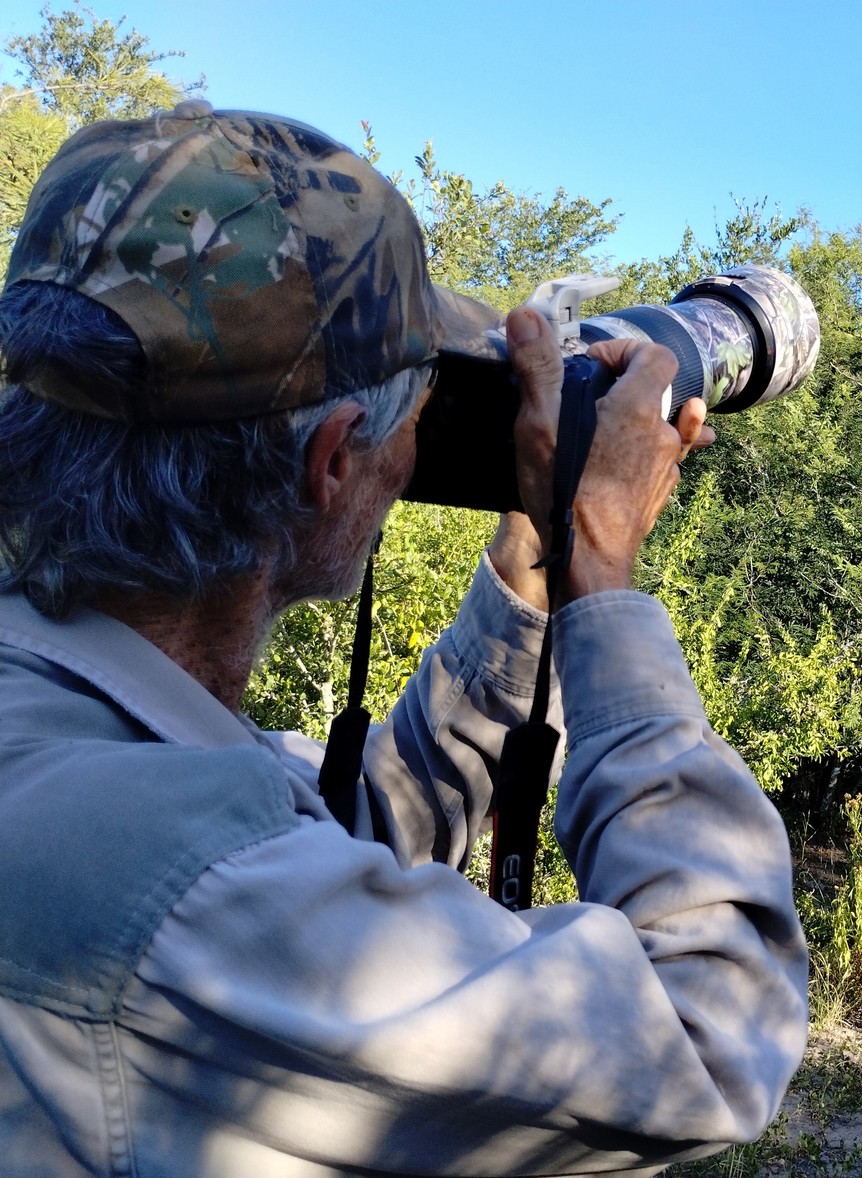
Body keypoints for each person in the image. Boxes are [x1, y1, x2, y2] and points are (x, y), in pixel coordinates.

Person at [0, 101, 808, 1177]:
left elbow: (331, 844)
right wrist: (602, 580)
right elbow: (710, 1026)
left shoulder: (76, 738)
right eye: (418, 400)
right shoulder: (176, 888)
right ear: (333, 461)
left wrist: (531, 578)